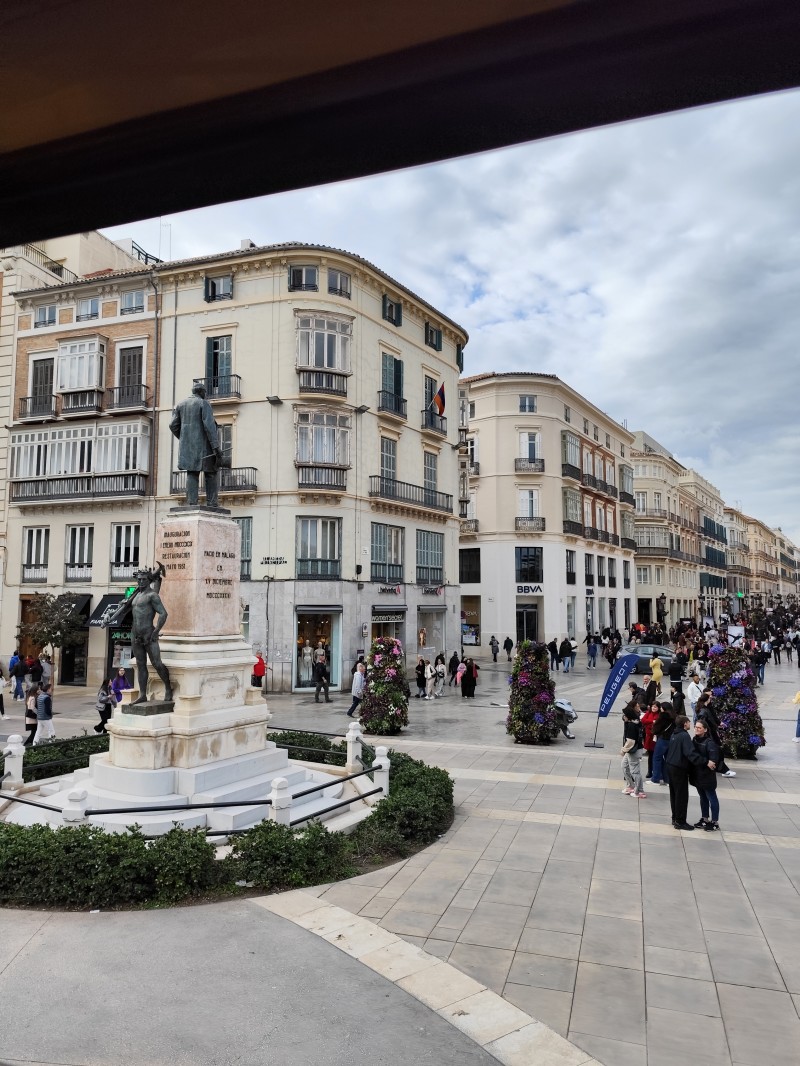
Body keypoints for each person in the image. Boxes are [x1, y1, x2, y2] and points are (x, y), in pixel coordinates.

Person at [169, 381, 224, 507]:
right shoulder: (203, 403)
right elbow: (209, 426)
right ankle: (212, 503)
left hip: (187, 448)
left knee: (192, 473)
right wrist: (215, 447)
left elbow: (172, 425)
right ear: (201, 392)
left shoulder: (180, 405)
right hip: (206, 447)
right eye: (204, 392)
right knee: (211, 473)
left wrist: (184, 439)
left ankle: (192, 502)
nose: (205, 394)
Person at [128, 566, 173, 704]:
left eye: (143, 579)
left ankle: (168, 687)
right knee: (140, 664)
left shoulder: (152, 595)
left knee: (157, 663)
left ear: (149, 580)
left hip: (149, 634)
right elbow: (126, 612)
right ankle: (142, 695)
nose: (140, 582)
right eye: (139, 579)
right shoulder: (135, 596)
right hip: (135, 634)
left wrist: (156, 631)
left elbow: (163, 613)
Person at [665, 714, 714, 830]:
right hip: (679, 768)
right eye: (688, 722)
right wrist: (705, 762)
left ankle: (675, 818)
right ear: (684, 724)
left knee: (674, 794)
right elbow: (690, 753)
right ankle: (680, 821)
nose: (690, 724)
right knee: (681, 795)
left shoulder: (674, 734)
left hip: (670, 766)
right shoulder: (684, 736)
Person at [691, 719, 721, 830]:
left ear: (705, 729)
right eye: (695, 727)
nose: (696, 729)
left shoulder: (709, 743)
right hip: (698, 774)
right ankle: (704, 818)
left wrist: (704, 762)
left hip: (707, 776)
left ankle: (715, 821)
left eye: (699, 727)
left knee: (711, 797)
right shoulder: (694, 740)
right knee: (703, 797)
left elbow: (713, 761)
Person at [620, 705, 646, 799]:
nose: (624, 716)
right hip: (633, 750)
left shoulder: (632, 725)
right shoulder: (636, 722)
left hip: (634, 750)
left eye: (625, 715)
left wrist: (623, 750)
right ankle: (630, 786)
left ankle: (639, 791)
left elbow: (631, 741)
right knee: (624, 766)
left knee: (635, 771)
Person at [650, 702, 675, 786]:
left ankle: (655, 779)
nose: (660, 709)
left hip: (663, 739)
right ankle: (667, 779)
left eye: (661, 708)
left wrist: (654, 728)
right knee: (668, 760)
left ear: (663, 709)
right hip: (671, 740)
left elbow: (656, 729)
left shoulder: (663, 716)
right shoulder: (674, 716)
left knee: (657, 758)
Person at [641, 700, 660, 780]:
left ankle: (656, 772)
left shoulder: (659, 715)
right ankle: (649, 771)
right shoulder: (648, 713)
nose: (653, 708)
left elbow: (657, 724)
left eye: (655, 707)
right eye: (653, 706)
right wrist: (652, 721)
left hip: (655, 737)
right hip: (648, 737)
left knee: (656, 756)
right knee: (650, 755)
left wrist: (649, 723)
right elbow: (643, 721)